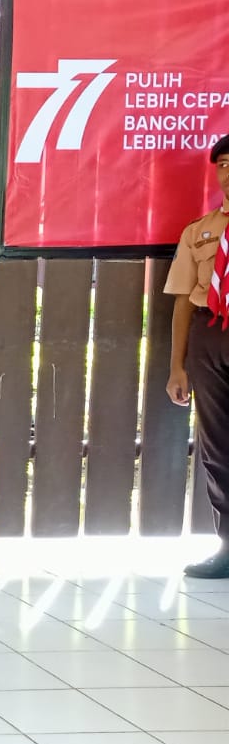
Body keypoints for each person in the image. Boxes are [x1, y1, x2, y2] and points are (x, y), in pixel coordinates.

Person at [164, 134, 229, 579]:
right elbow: (184, 301)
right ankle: (228, 546)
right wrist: (177, 366)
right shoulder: (200, 232)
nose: (228, 172)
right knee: (218, 446)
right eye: (223, 164)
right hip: (210, 335)